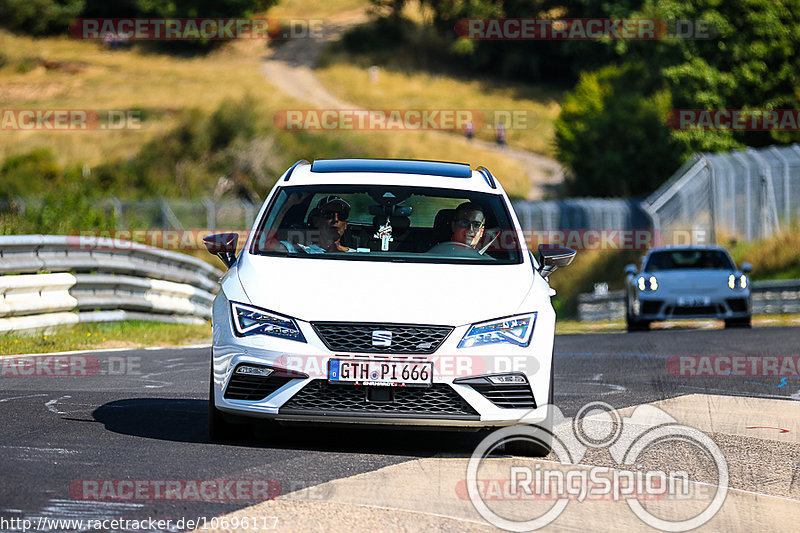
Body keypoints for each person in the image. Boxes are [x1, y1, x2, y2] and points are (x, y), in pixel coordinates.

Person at [281, 195, 354, 253]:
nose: (336, 219)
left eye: (342, 215)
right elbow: (270, 243)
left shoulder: (360, 254)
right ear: (316, 221)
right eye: (328, 214)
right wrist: (288, 204)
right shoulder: (297, 250)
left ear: (345, 224)